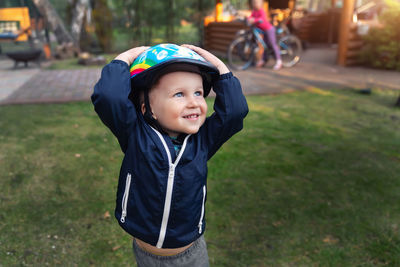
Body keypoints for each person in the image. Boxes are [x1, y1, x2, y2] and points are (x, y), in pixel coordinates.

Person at [91, 43, 248, 267]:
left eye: (198, 92)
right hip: (147, 256)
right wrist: (125, 58)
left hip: (191, 254)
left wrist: (218, 65)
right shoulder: (135, 135)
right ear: (147, 108)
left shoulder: (203, 142)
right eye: (179, 94)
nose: (194, 102)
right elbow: (109, 98)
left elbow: (234, 111)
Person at [248, 0, 282, 70]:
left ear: (260, 4)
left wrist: (254, 20)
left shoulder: (261, 10)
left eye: (256, 3)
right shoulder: (254, 11)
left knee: (272, 44)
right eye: (254, 3)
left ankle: (279, 61)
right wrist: (249, 19)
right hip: (263, 31)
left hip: (269, 29)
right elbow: (250, 17)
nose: (255, 4)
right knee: (265, 45)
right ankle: (264, 60)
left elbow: (262, 19)